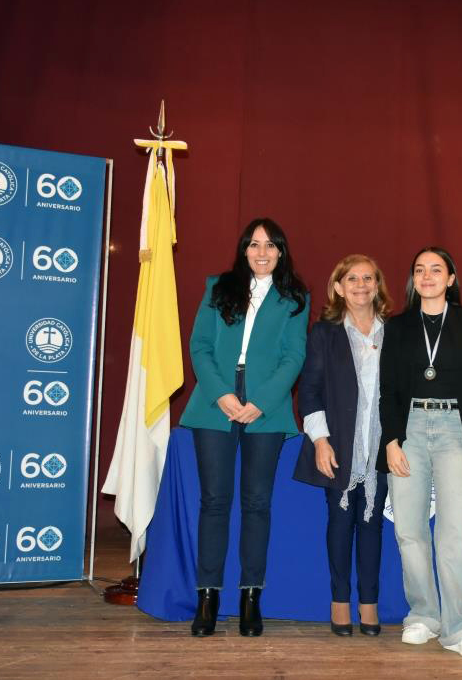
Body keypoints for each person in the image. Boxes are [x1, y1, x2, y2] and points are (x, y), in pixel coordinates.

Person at [179, 217, 309, 637]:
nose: (262, 252)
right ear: (243, 250)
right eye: (254, 244)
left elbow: (294, 356)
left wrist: (261, 403)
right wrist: (220, 393)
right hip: (214, 401)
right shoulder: (218, 288)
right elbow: (199, 345)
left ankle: (251, 597)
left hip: (265, 408)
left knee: (257, 504)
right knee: (214, 502)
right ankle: (208, 598)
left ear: (281, 252)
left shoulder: (295, 298)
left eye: (270, 245)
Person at [378, 246, 462, 658]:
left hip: (455, 431)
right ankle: (423, 615)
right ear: (413, 279)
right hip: (409, 429)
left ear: (450, 279)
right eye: (419, 270)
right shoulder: (397, 326)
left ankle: (460, 627)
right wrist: (391, 441)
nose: (427, 276)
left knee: (456, 531)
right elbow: (388, 391)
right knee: (409, 529)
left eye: (436, 270)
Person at [294, 254, 392, 637]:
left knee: (371, 525)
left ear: (377, 285)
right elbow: (310, 391)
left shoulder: (393, 331)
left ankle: (369, 605)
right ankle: (339, 602)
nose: (361, 285)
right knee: (340, 522)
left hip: (380, 445)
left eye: (368, 278)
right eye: (352, 279)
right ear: (338, 287)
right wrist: (320, 441)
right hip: (338, 445)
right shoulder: (325, 333)